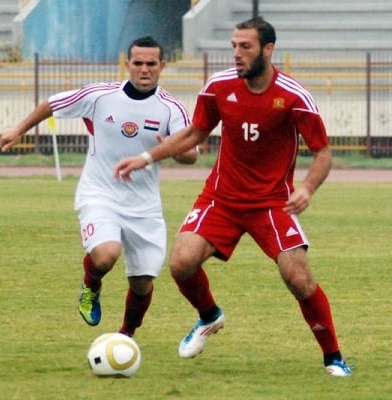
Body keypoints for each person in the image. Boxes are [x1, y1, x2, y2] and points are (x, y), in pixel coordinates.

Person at [113, 18, 352, 376]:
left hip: (272, 203)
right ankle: (209, 315)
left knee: (298, 278)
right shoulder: (218, 86)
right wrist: (147, 158)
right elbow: (194, 133)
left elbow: (322, 152)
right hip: (221, 198)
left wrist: (306, 188)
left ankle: (333, 357)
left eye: (246, 47)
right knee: (181, 262)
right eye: (234, 46)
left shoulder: (293, 95)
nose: (237, 54)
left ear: (268, 50)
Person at [0, 36, 198, 337]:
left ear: (162, 66)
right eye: (138, 63)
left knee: (142, 282)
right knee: (106, 255)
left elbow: (191, 155)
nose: (144, 70)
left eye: (151, 64)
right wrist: (18, 129)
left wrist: (170, 148)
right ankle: (91, 284)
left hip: (144, 207)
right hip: (99, 194)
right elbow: (51, 104)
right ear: (127, 64)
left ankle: (125, 337)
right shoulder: (100, 96)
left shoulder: (171, 109)